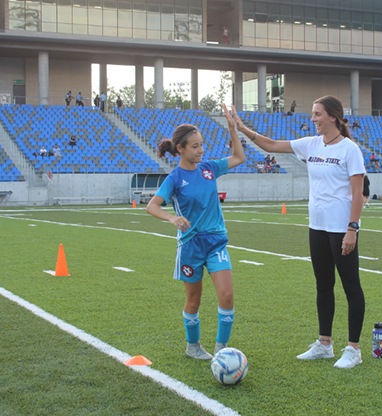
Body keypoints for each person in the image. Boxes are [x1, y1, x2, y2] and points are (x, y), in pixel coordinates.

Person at [231, 95, 366, 369]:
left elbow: (358, 193)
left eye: (317, 114)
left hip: (342, 228)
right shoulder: (311, 145)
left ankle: (353, 348)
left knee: (351, 286)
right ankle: (324, 344)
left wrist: (352, 228)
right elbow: (270, 144)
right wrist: (242, 128)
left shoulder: (350, 150)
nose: (313, 119)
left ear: (333, 116)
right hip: (316, 226)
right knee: (323, 285)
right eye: (313, 114)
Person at [146, 104, 246, 360]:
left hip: (216, 242)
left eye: (202, 145)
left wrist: (232, 129)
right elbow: (152, 206)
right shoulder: (175, 178)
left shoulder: (209, 168)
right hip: (190, 246)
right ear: (180, 149)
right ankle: (193, 347)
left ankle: (221, 349)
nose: (201, 150)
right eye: (195, 146)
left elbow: (238, 158)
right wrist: (172, 218)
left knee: (226, 295)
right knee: (194, 301)